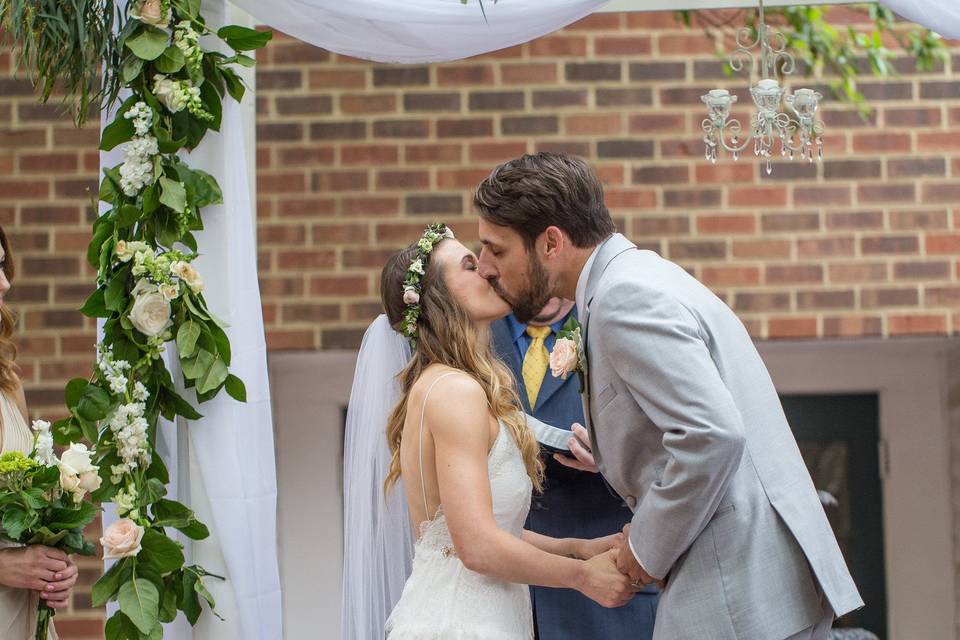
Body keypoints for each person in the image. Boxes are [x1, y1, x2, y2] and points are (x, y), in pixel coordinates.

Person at [474, 152, 863, 640]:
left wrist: (643, 547)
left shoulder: (623, 298)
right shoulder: (640, 276)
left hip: (733, 582)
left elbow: (712, 435)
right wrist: (616, 452)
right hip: (751, 580)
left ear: (551, 241)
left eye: (497, 249)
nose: (485, 266)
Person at [366, 224, 636, 639]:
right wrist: (580, 576)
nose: (489, 270)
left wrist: (575, 548)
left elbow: (482, 528)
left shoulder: (448, 385)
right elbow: (476, 546)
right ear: (442, 298)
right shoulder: (454, 391)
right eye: (471, 266)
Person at [492, 298, 658, 639]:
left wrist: (613, 460)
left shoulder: (609, 326)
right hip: (500, 588)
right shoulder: (476, 331)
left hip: (604, 586)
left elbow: (674, 446)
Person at [0, 226, 77, 639]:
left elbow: (29, 513)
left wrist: (53, 566)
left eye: (2, 266)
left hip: (21, 617)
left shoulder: (8, 383)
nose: (6, 282)